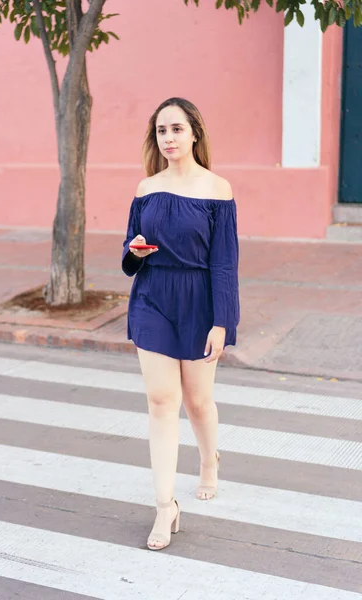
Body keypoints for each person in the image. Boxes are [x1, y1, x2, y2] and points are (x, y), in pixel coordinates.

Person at [121, 97, 240, 551]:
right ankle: (164, 505)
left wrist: (222, 321)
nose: (168, 138)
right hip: (152, 296)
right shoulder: (146, 187)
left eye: (176, 129)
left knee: (198, 402)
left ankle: (209, 460)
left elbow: (225, 263)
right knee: (160, 400)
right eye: (161, 131)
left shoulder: (218, 189)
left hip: (200, 301)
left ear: (195, 132)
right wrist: (133, 252)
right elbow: (129, 255)